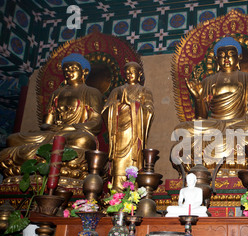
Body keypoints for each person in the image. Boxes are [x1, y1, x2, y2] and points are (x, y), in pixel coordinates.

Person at [171, 36, 248, 173]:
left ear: (239, 57)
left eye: (231, 54)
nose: (226, 58)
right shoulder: (208, 81)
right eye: (221, 55)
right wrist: (198, 98)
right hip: (214, 124)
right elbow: (201, 117)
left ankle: (208, 156)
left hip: (240, 123)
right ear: (216, 60)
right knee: (181, 129)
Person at [0, 53, 103, 180]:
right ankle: (44, 158)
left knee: (83, 140)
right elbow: (46, 123)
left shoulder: (92, 92)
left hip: (72, 135)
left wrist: (71, 128)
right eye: (66, 70)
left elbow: (96, 122)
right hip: (51, 135)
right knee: (13, 139)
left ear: (84, 72)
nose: (68, 72)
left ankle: (40, 157)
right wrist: (51, 127)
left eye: (73, 69)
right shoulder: (57, 93)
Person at [102, 61, 154, 191]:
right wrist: (118, 105)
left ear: (139, 74)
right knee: (118, 161)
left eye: (133, 72)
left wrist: (132, 104)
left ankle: (133, 190)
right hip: (118, 132)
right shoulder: (117, 91)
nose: (130, 74)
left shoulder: (144, 91)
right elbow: (105, 110)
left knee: (134, 161)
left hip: (135, 132)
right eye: (127, 72)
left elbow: (149, 110)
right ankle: (116, 190)